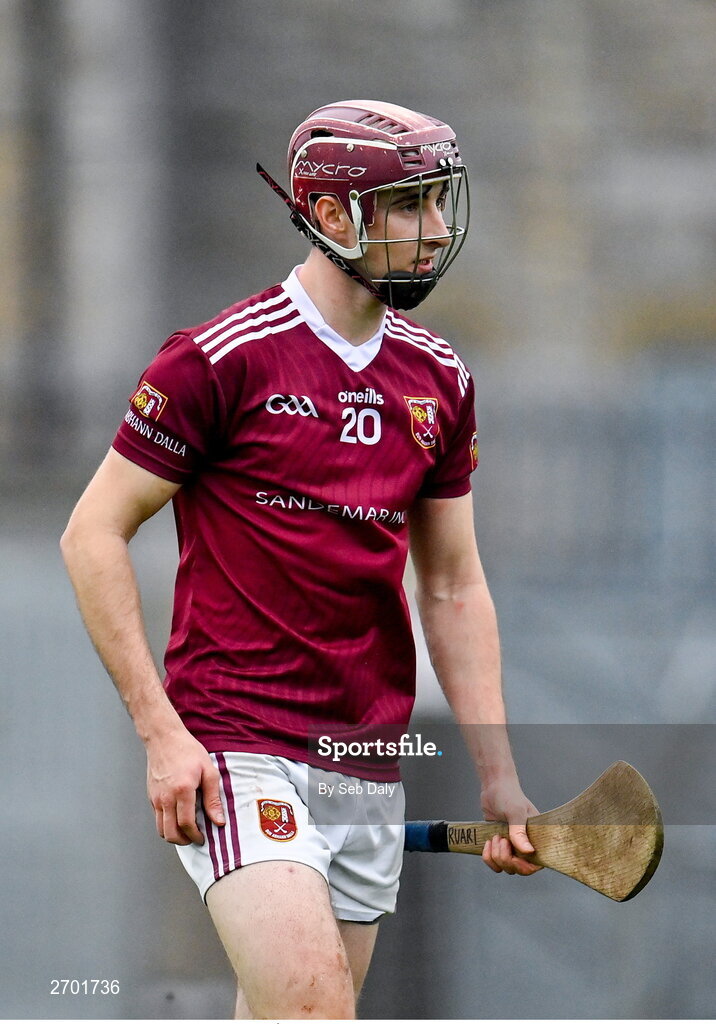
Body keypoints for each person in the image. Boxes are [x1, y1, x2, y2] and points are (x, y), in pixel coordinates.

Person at [61, 99, 541, 1020]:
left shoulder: (440, 380)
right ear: (330, 218)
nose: (438, 231)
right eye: (409, 207)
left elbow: (450, 584)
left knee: (282, 1010)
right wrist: (162, 734)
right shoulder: (218, 360)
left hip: (363, 752)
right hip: (233, 741)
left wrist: (497, 772)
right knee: (314, 1009)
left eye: (440, 202)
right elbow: (91, 535)